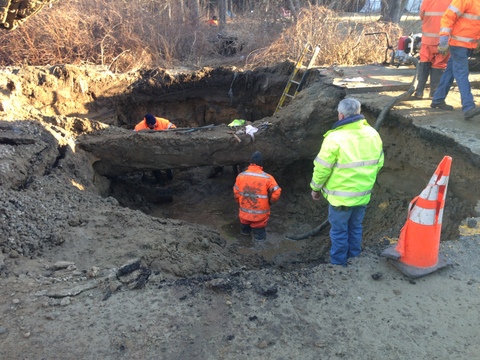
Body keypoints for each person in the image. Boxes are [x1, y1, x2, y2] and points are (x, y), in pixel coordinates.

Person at [310, 98, 384, 266]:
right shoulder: (373, 134)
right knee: (355, 228)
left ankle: (338, 264)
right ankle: (355, 260)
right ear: (358, 113)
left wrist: (315, 188)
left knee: (339, 232)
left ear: (341, 115)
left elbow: (322, 168)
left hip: (340, 200)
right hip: (363, 195)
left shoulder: (334, 138)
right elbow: (379, 163)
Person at [430, 0, 480, 121]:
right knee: (461, 72)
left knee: (451, 71)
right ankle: (468, 106)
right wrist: (443, 40)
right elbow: (447, 18)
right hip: (458, 44)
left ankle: (438, 99)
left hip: (469, 45)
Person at [233, 151, 281, 241]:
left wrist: (240, 202)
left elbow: (236, 193)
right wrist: (271, 202)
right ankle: (259, 251)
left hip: (244, 215)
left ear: (250, 164)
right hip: (259, 217)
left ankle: (244, 247)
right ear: (261, 165)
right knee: (260, 241)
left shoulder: (240, 176)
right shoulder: (268, 178)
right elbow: (277, 192)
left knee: (244, 235)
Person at [412, 0, 451, 99]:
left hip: (427, 40)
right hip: (444, 40)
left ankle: (419, 91)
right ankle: (433, 93)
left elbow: (421, 15)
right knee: (440, 64)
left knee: (424, 61)